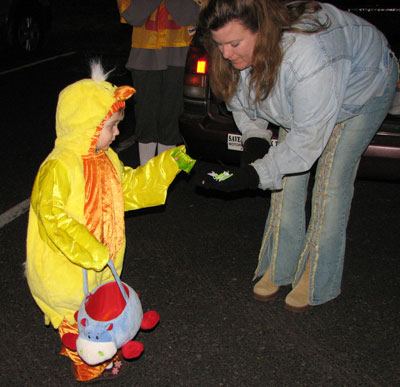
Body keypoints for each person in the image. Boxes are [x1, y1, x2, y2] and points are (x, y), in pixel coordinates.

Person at [195, 0, 398, 312]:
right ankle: (281, 266)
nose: (225, 53)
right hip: (306, 94)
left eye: (234, 43)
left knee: (329, 182)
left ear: (262, 32)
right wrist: (254, 144)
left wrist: (253, 175)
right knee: (285, 181)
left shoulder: (308, 55)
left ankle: (317, 277)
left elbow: (305, 143)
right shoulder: (232, 52)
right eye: (220, 44)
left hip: (363, 86)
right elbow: (243, 102)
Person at [25, 61, 195, 382]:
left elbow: (127, 188)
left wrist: (170, 164)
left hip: (100, 264)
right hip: (67, 270)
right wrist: (92, 251)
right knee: (77, 321)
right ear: (87, 124)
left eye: (118, 125)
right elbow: (53, 216)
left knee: (99, 315)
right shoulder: (59, 166)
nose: (118, 133)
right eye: (112, 126)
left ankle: (101, 351)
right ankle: (89, 364)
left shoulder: (106, 159)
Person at [117, 0, 201, 165]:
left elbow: (195, 14)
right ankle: (146, 175)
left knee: (171, 118)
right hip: (144, 52)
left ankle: (163, 179)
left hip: (180, 51)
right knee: (145, 117)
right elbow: (132, 14)